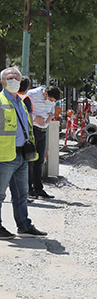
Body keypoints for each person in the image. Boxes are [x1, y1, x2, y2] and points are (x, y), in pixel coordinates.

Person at [0, 66, 48, 239]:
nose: (13, 80)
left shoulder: (21, 101)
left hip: (22, 155)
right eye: (10, 77)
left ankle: (24, 226)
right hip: (4, 155)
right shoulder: (0, 101)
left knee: (21, 194)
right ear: (2, 82)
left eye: (16, 78)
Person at [25, 84, 61, 200]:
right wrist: (35, 118)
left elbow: (51, 108)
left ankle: (38, 188)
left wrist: (50, 116)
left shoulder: (52, 100)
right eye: (50, 99)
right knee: (31, 160)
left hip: (43, 130)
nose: (51, 102)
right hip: (33, 129)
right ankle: (29, 189)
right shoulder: (32, 94)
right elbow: (23, 108)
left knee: (40, 160)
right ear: (45, 93)